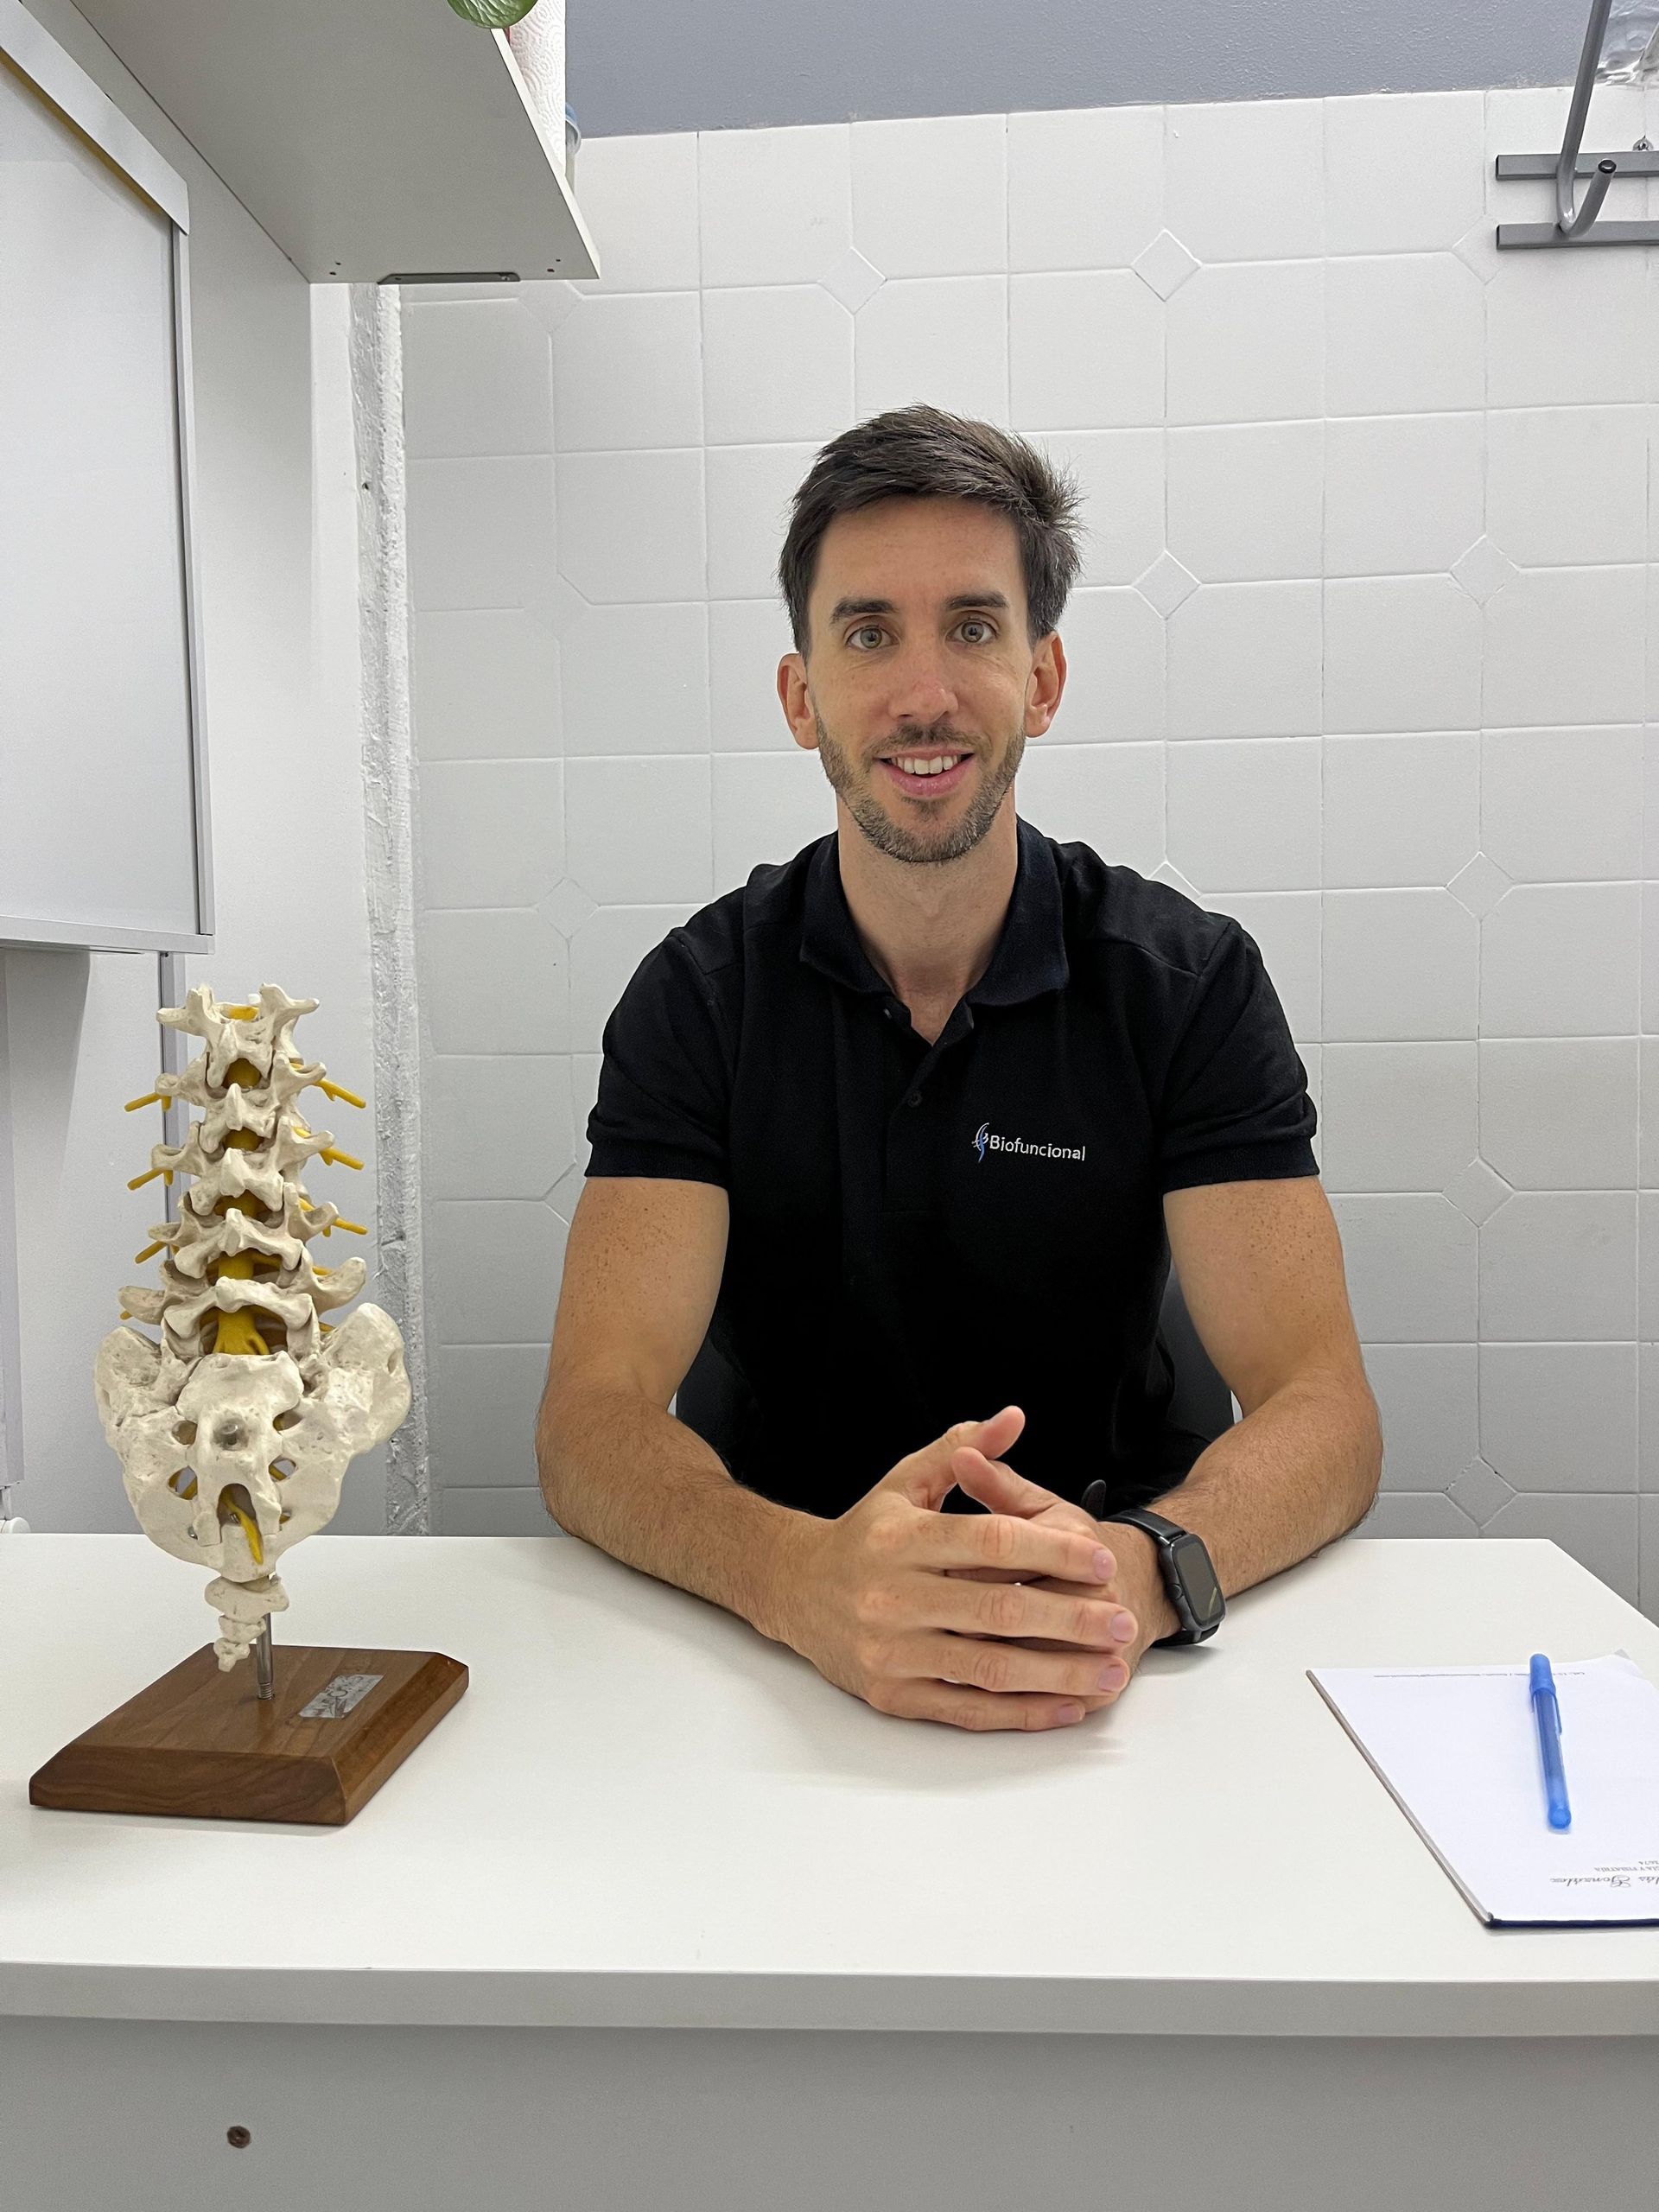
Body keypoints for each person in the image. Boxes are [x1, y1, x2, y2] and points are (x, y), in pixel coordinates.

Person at [536, 404, 1381, 1733]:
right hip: (774, 1638)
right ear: (800, 690)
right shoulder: (699, 997)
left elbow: (1325, 1407)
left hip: (1118, 1627)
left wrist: (1145, 1571)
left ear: (1042, 678)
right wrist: (793, 1574)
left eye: (973, 629)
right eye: (869, 632)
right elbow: (589, 1419)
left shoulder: (1187, 983)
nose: (922, 693)